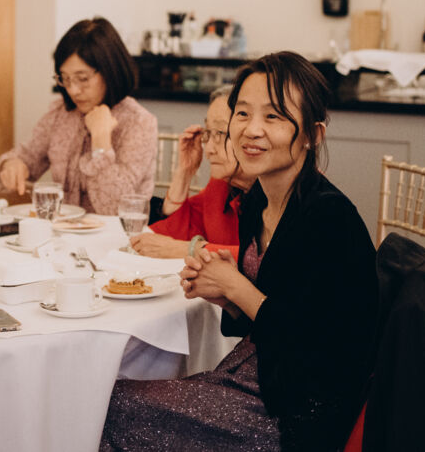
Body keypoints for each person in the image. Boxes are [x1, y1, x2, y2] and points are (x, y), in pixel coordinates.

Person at [100, 51, 378, 451]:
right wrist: (224, 297)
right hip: (250, 377)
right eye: (243, 113)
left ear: (312, 135)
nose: (251, 130)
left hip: (292, 411)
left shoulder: (328, 218)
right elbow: (266, 315)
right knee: (105, 395)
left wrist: (235, 286)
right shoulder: (258, 202)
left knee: (105, 406)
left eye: (273, 116)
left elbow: (310, 344)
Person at [0, 17, 157, 215]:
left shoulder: (139, 122)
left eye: (82, 79)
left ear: (110, 71)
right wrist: (12, 165)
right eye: (65, 79)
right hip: (62, 230)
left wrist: (101, 143)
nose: (73, 90)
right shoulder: (61, 113)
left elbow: (117, 210)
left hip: (116, 233)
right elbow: (26, 156)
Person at [130, 86, 249, 260]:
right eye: (208, 133)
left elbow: (264, 262)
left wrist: (192, 250)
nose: (209, 149)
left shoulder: (276, 194)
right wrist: (184, 172)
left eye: (220, 133)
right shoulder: (221, 185)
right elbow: (171, 234)